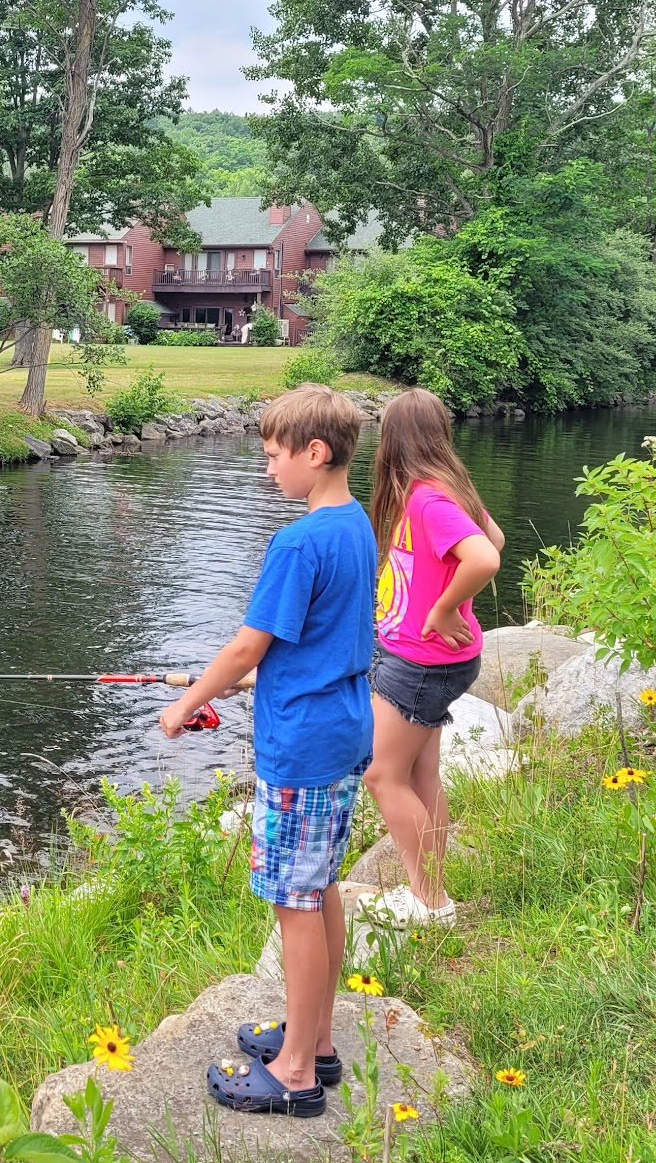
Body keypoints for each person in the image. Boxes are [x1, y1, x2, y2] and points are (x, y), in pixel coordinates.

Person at [160, 385, 375, 1118]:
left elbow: (251, 641)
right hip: (344, 727)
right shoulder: (355, 525)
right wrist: (259, 680)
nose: (267, 472)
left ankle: (293, 1075)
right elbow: (315, 644)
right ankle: (314, 1040)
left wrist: (186, 703)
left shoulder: (296, 542)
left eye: (273, 457)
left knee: (294, 900)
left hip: (303, 747)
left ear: (314, 453)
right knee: (320, 887)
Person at [362, 388, 503, 925]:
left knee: (381, 774)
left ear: (393, 439)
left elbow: (486, 554)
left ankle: (430, 901)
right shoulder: (446, 489)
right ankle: (434, 893)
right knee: (421, 774)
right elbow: (495, 533)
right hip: (432, 659)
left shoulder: (426, 498)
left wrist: (444, 608)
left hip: (422, 661)